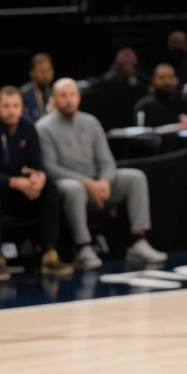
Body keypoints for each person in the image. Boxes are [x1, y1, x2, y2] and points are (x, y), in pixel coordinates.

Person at [37, 78, 167, 270]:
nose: (69, 100)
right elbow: (50, 168)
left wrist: (105, 181)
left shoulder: (91, 122)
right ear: (54, 99)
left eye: (72, 94)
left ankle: (138, 241)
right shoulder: (43, 127)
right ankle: (83, 247)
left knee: (135, 177)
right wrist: (88, 183)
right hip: (68, 183)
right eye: (63, 95)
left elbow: (106, 160)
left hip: (97, 182)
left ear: (79, 97)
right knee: (74, 188)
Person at [0, 86, 71, 279]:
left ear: (22, 107)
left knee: (50, 188)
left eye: (16, 106)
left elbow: (37, 161)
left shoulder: (28, 127)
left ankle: (49, 252)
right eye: (6, 106)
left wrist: (39, 177)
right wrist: (12, 181)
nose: (11, 111)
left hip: (23, 190)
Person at [134, 63, 187, 128]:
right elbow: (141, 130)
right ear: (154, 80)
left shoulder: (185, 103)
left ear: (176, 79)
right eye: (162, 78)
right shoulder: (145, 106)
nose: (167, 81)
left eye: (171, 77)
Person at [20, 52, 54, 122]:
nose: (46, 74)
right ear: (32, 73)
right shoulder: (24, 94)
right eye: (42, 71)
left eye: (48, 70)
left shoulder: (55, 92)